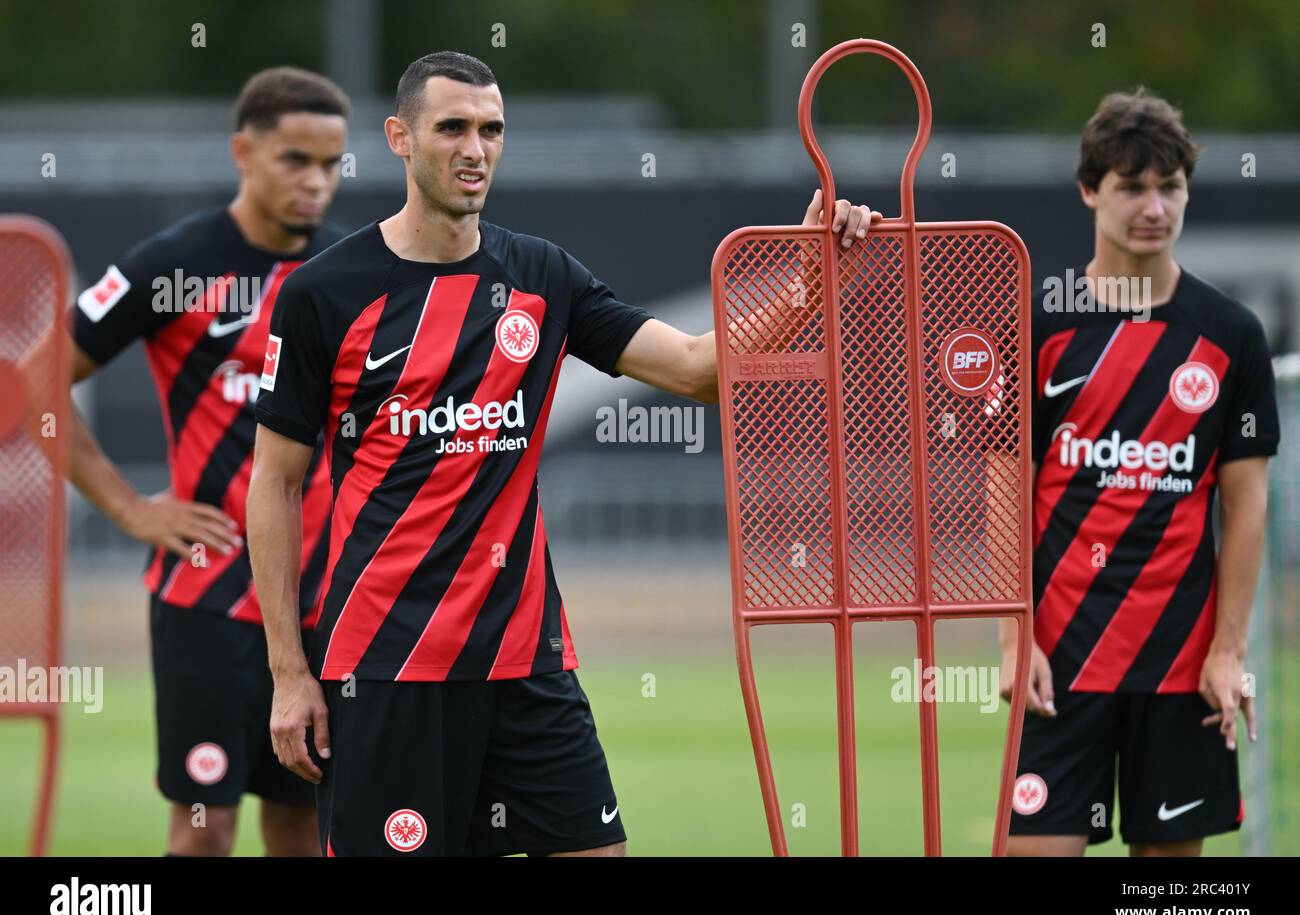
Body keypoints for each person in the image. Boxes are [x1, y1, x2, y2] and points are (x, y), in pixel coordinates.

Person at [247, 50, 880, 856]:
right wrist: (289, 673)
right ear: (400, 138)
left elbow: (696, 369)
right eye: (451, 128)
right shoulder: (323, 293)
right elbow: (275, 482)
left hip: (526, 661)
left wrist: (808, 282)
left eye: (491, 129)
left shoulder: (542, 274)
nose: (474, 148)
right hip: (385, 666)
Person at [64, 66, 350, 855]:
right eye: (296, 159)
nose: (317, 182)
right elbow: (32, 384)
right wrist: (128, 508)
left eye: (332, 163)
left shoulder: (347, 273)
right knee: (204, 830)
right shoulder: (173, 263)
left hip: (323, 595)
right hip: (206, 594)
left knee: (303, 826)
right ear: (243, 152)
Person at [999, 88, 1279, 856]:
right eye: (1131, 186)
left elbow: (1246, 506)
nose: (1153, 206)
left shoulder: (1231, 335)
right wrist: (1011, 636)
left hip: (1181, 668)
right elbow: (1004, 491)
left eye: (1170, 187)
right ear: (1091, 190)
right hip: (1062, 666)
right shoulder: (1040, 324)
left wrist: (1228, 649)